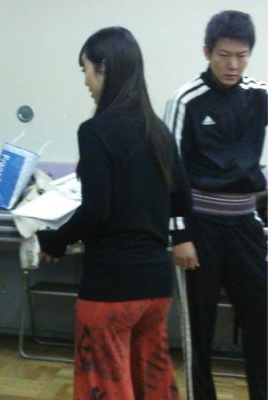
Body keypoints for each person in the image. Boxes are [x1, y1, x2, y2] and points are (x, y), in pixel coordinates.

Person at [37, 27, 192, 400]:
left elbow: (96, 210)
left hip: (111, 288)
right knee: (151, 386)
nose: (85, 81)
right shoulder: (158, 130)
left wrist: (55, 240)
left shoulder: (95, 130)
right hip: (155, 287)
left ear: (103, 67)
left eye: (86, 70)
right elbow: (182, 202)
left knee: (106, 388)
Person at [165, 10, 267, 400]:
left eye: (242, 56)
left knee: (262, 319)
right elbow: (169, 171)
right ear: (207, 51)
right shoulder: (185, 100)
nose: (233, 65)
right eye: (224, 55)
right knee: (200, 329)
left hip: (245, 224)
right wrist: (180, 235)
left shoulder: (259, 95)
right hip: (200, 227)